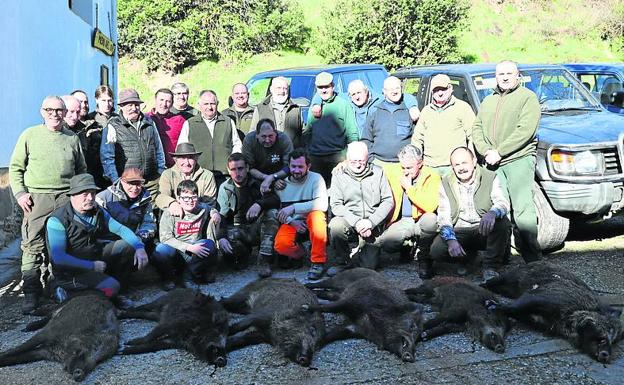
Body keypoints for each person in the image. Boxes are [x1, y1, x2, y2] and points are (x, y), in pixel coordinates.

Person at [9, 95, 87, 314]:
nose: (54, 114)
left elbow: (81, 170)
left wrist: (78, 196)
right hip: (37, 199)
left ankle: (57, 288)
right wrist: (21, 194)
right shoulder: (30, 135)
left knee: (63, 245)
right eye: (49, 110)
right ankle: (31, 294)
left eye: (59, 110)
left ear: (65, 113)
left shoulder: (72, 138)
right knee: (33, 246)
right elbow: (15, 168)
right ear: (42, 112)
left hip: (65, 198)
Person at [472, 60, 542, 263]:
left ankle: (533, 260)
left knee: (522, 213)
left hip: (518, 160)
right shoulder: (488, 101)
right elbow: (476, 128)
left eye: (509, 73)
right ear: (495, 77)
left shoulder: (527, 98)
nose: (504, 77)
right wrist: (486, 151)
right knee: (498, 211)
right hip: (492, 163)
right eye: (500, 74)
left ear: (517, 75)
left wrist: (500, 151)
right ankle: (501, 258)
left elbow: (525, 130)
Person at [46, 174, 149, 301]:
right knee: (111, 288)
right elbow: (59, 257)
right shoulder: (58, 220)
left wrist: (139, 247)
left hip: (93, 257)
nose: (90, 198)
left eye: (93, 193)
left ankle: (119, 289)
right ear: (73, 195)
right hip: (70, 271)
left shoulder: (97, 211)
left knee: (126, 246)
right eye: (85, 194)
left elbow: (120, 229)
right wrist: (91, 266)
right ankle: (65, 292)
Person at [427, 147, 511, 281]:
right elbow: (444, 216)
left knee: (502, 224)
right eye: (457, 165)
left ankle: (491, 267)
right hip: (460, 228)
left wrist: (492, 213)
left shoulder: (490, 177)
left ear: (474, 161)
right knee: (436, 251)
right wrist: (451, 240)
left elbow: (503, 203)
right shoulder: (445, 182)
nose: (461, 168)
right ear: (452, 167)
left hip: (483, 228)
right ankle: (466, 259)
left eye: (464, 163)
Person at [328, 142, 393, 273]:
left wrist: (371, 222)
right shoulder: (339, 174)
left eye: (361, 161)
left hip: (372, 222)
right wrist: (356, 222)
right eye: (353, 161)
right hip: (350, 219)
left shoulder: (378, 173)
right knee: (335, 226)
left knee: (368, 269)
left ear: (367, 158)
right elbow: (336, 204)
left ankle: (366, 253)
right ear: (347, 159)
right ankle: (342, 261)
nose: (358, 165)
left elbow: (388, 201)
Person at [215, 153, 280, 278]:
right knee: (229, 248)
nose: (237, 173)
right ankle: (243, 255)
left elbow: (275, 200)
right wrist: (221, 237)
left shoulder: (257, 183)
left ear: (247, 168)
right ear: (228, 170)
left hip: (256, 227)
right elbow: (221, 215)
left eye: (240, 168)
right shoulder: (225, 187)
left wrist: (259, 204)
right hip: (237, 228)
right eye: (233, 169)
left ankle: (264, 259)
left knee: (272, 213)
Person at [100, 88, 166, 200]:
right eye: (129, 105)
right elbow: (107, 157)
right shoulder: (113, 125)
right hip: (128, 184)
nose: (134, 108)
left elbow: (159, 149)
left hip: (151, 182)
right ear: (121, 106)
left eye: (136, 104)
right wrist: (117, 181)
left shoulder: (149, 123)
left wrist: (160, 172)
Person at [274, 149, 328, 280]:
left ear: (308, 166)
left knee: (317, 217)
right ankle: (301, 254)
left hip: (311, 219)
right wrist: (292, 221)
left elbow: (322, 204)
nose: (296, 170)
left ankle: (317, 262)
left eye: (300, 167)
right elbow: (278, 211)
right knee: (281, 245)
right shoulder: (282, 185)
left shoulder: (316, 179)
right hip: (292, 222)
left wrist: (294, 208)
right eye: (293, 166)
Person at [380, 144, 439, 264]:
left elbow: (430, 206)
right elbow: (371, 168)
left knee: (431, 220)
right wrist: (343, 164)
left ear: (420, 163)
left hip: (422, 219)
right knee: (388, 244)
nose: (406, 171)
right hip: (403, 220)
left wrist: (409, 188)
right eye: (403, 167)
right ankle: (408, 246)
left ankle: (424, 253)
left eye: (410, 168)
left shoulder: (432, 176)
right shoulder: (394, 171)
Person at [155, 179, 218, 288]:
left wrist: (215, 213)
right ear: (178, 199)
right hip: (176, 252)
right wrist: (188, 247)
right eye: (185, 198)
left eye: (193, 197)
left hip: (194, 253)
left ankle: (188, 278)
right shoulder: (169, 213)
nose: (190, 201)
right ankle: (168, 279)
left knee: (209, 244)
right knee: (161, 250)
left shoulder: (202, 209)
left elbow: (211, 208)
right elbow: (165, 238)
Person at [412, 74, 475, 175]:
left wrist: (469, 160)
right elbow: (417, 140)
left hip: (454, 166)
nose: (440, 93)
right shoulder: (426, 111)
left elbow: (473, 135)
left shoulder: (462, 108)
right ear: (432, 92)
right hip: (430, 167)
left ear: (450, 88)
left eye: (443, 89)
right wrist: (417, 162)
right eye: (436, 90)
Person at [304, 72, 359, 186]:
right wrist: (306, 154)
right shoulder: (314, 107)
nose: (323, 90)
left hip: (337, 158)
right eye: (320, 87)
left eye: (326, 87)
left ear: (333, 86)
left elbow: (352, 133)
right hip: (315, 159)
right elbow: (308, 131)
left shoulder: (343, 105)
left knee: (340, 193)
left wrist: (351, 157)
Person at [178, 90, 242, 187]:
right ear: (199, 105)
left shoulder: (228, 122)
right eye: (206, 104)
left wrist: (232, 164)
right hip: (199, 176)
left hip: (225, 176)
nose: (209, 107)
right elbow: (182, 149)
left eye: (212, 103)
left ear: (217, 104)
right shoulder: (189, 123)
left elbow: (237, 144)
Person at [95, 167, 157, 251]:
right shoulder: (102, 198)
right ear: (121, 181)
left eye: (138, 184)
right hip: (106, 242)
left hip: (135, 241)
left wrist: (140, 237)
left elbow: (149, 223)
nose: (135, 188)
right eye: (130, 183)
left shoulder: (145, 199)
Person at [361, 76, 416, 166]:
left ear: (401, 89)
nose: (394, 91)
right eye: (391, 89)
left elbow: (417, 138)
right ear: (384, 91)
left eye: (397, 88)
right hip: (379, 163)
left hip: (403, 165)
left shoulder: (409, 110)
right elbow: (366, 139)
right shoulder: (375, 111)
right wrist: (371, 159)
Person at [156, 143, 217, 218]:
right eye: (182, 158)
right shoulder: (167, 174)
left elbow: (210, 203)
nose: (187, 162)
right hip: (175, 216)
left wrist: (190, 209)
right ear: (175, 160)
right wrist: (172, 203)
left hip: (200, 216)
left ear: (196, 159)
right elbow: (161, 197)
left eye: (190, 158)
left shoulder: (207, 175)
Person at [62, 95, 106, 189]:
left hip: (80, 184)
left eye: (78, 112)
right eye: (71, 112)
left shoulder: (82, 131)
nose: (74, 116)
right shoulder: (54, 132)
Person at [242, 118, 293, 193]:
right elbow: (249, 167)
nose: (267, 140)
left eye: (270, 136)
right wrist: (267, 178)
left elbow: (289, 166)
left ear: (276, 134)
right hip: (257, 177)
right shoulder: (249, 140)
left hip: (280, 177)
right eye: (263, 136)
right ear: (257, 135)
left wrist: (274, 177)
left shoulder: (284, 139)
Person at [250, 76, 303, 147]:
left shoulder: (295, 109)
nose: (282, 91)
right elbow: (252, 134)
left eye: (285, 88)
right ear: (271, 89)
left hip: (290, 154)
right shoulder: (260, 108)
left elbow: (303, 133)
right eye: (279, 88)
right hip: (265, 154)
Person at [85, 85, 117, 188]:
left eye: (110, 100)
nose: (107, 104)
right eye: (103, 100)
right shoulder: (90, 119)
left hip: (115, 168)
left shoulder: (118, 119)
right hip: (95, 170)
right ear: (97, 100)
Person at [147, 88, 187, 167]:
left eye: (168, 101)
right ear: (155, 100)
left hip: (173, 167)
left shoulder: (180, 120)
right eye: (161, 100)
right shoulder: (146, 118)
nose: (164, 104)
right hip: (151, 167)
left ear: (172, 103)